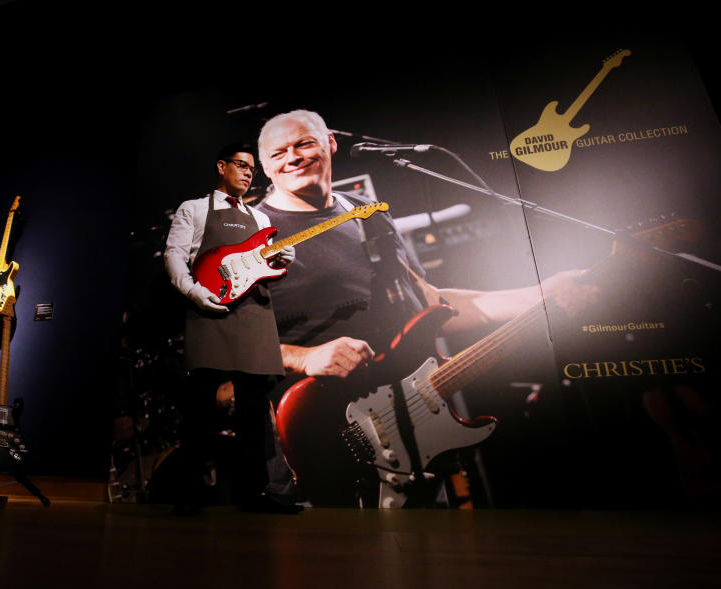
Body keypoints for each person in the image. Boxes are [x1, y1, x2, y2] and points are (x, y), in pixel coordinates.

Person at [254, 109, 591, 506]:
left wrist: (542, 292)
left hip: (408, 438)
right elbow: (215, 345)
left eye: (304, 143)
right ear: (264, 166)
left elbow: (433, 307)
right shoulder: (250, 234)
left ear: (330, 142)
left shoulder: (367, 214)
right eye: (278, 153)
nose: (292, 157)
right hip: (320, 444)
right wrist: (304, 356)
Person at [163, 142, 300, 514]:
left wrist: (283, 257)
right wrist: (193, 292)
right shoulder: (193, 209)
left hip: (255, 314)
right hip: (208, 309)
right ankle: (190, 495)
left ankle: (254, 494)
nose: (246, 172)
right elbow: (174, 254)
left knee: (254, 412)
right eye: (240, 165)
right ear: (221, 166)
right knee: (201, 410)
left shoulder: (258, 219)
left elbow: (265, 265)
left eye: (251, 169)